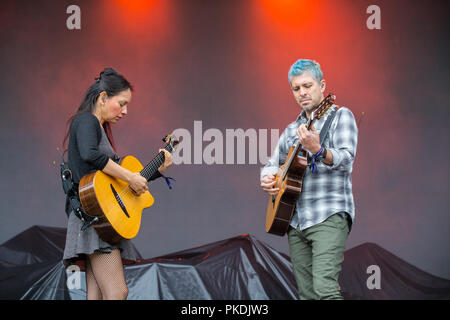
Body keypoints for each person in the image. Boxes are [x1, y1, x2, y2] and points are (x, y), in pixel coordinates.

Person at [62, 67, 172, 300]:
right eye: (121, 103)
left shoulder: (97, 127)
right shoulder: (86, 121)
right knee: (117, 291)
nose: (125, 111)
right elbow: (91, 155)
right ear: (103, 98)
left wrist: (155, 171)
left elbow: (116, 179)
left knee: (96, 294)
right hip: (94, 218)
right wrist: (130, 176)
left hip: (98, 217)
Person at [260, 59, 358, 300]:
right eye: (296, 88)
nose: (302, 92)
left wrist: (318, 150)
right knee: (307, 295)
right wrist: (268, 178)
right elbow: (272, 164)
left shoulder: (340, 116)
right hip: (296, 221)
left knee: (325, 290)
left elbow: (346, 160)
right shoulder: (291, 129)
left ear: (322, 86)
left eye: (307, 85)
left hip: (329, 215)